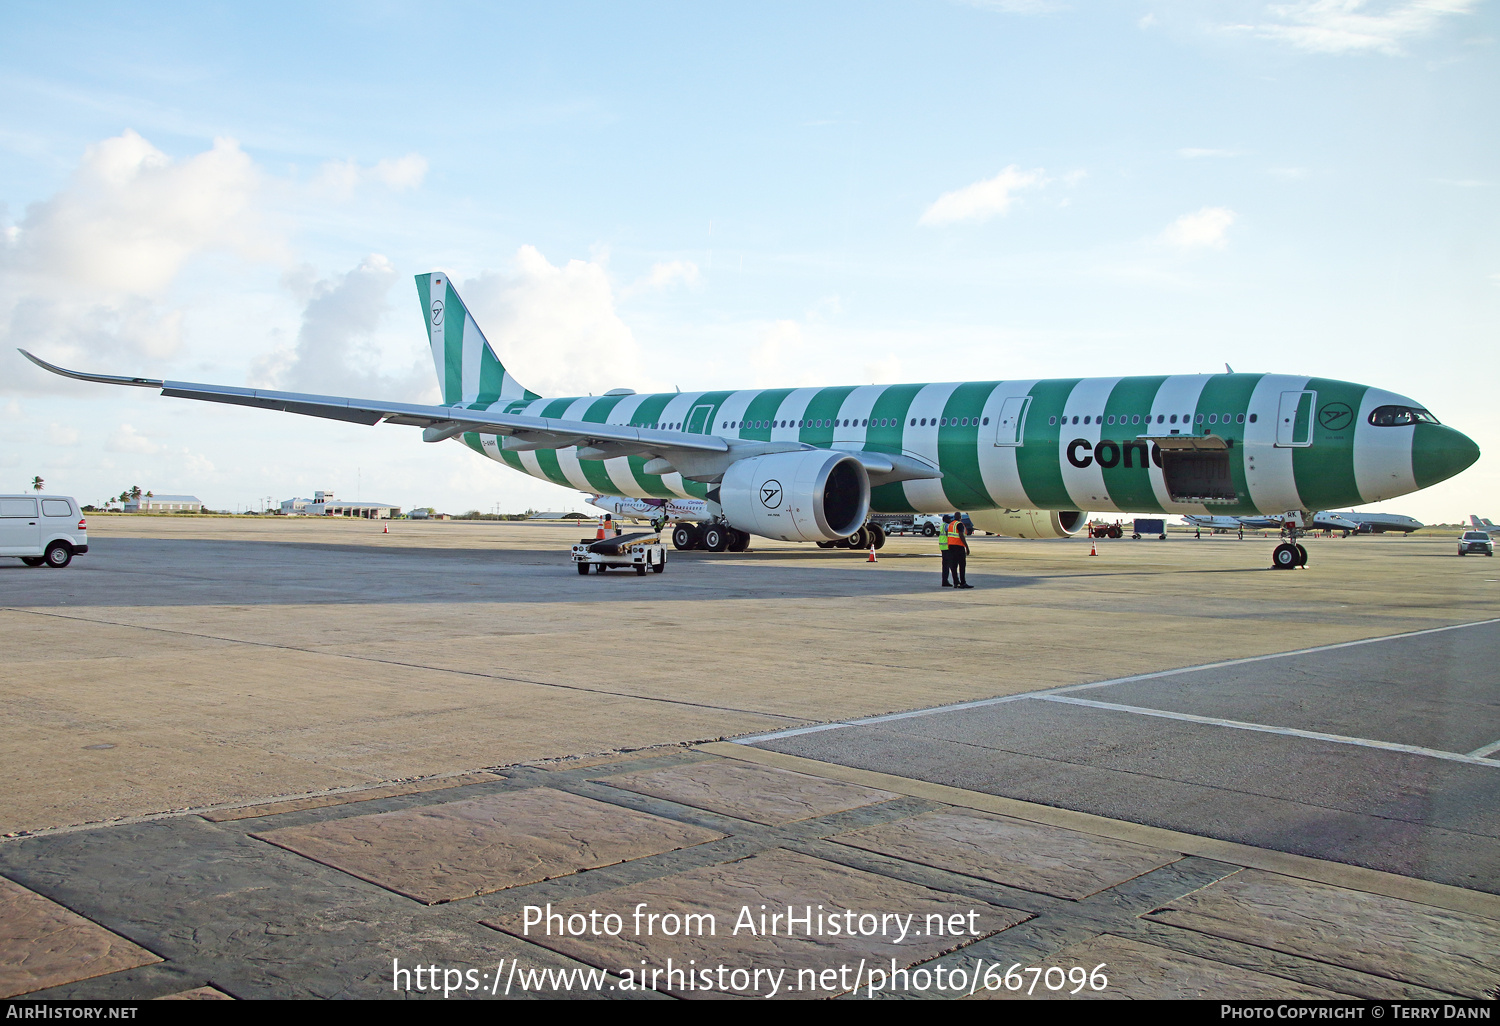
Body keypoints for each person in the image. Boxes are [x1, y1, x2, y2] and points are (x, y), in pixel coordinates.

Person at [947, 513, 973, 589]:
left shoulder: (951, 524)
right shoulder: (959, 524)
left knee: (953, 566)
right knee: (962, 565)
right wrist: (966, 547)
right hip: (959, 546)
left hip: (951, 546)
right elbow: (961, 535)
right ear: (960, 517)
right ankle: (963, 582)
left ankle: (956, 582)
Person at [938, 514, 953, 587]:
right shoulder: (947, 526)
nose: (950, 520)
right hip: (947, 547)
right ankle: (945, 581)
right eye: (949, 519)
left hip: (942, 547)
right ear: (946, 519)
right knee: (947, 565)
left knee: (944, 565)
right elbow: (948, 535)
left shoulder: (942, 525)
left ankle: (944, 580)